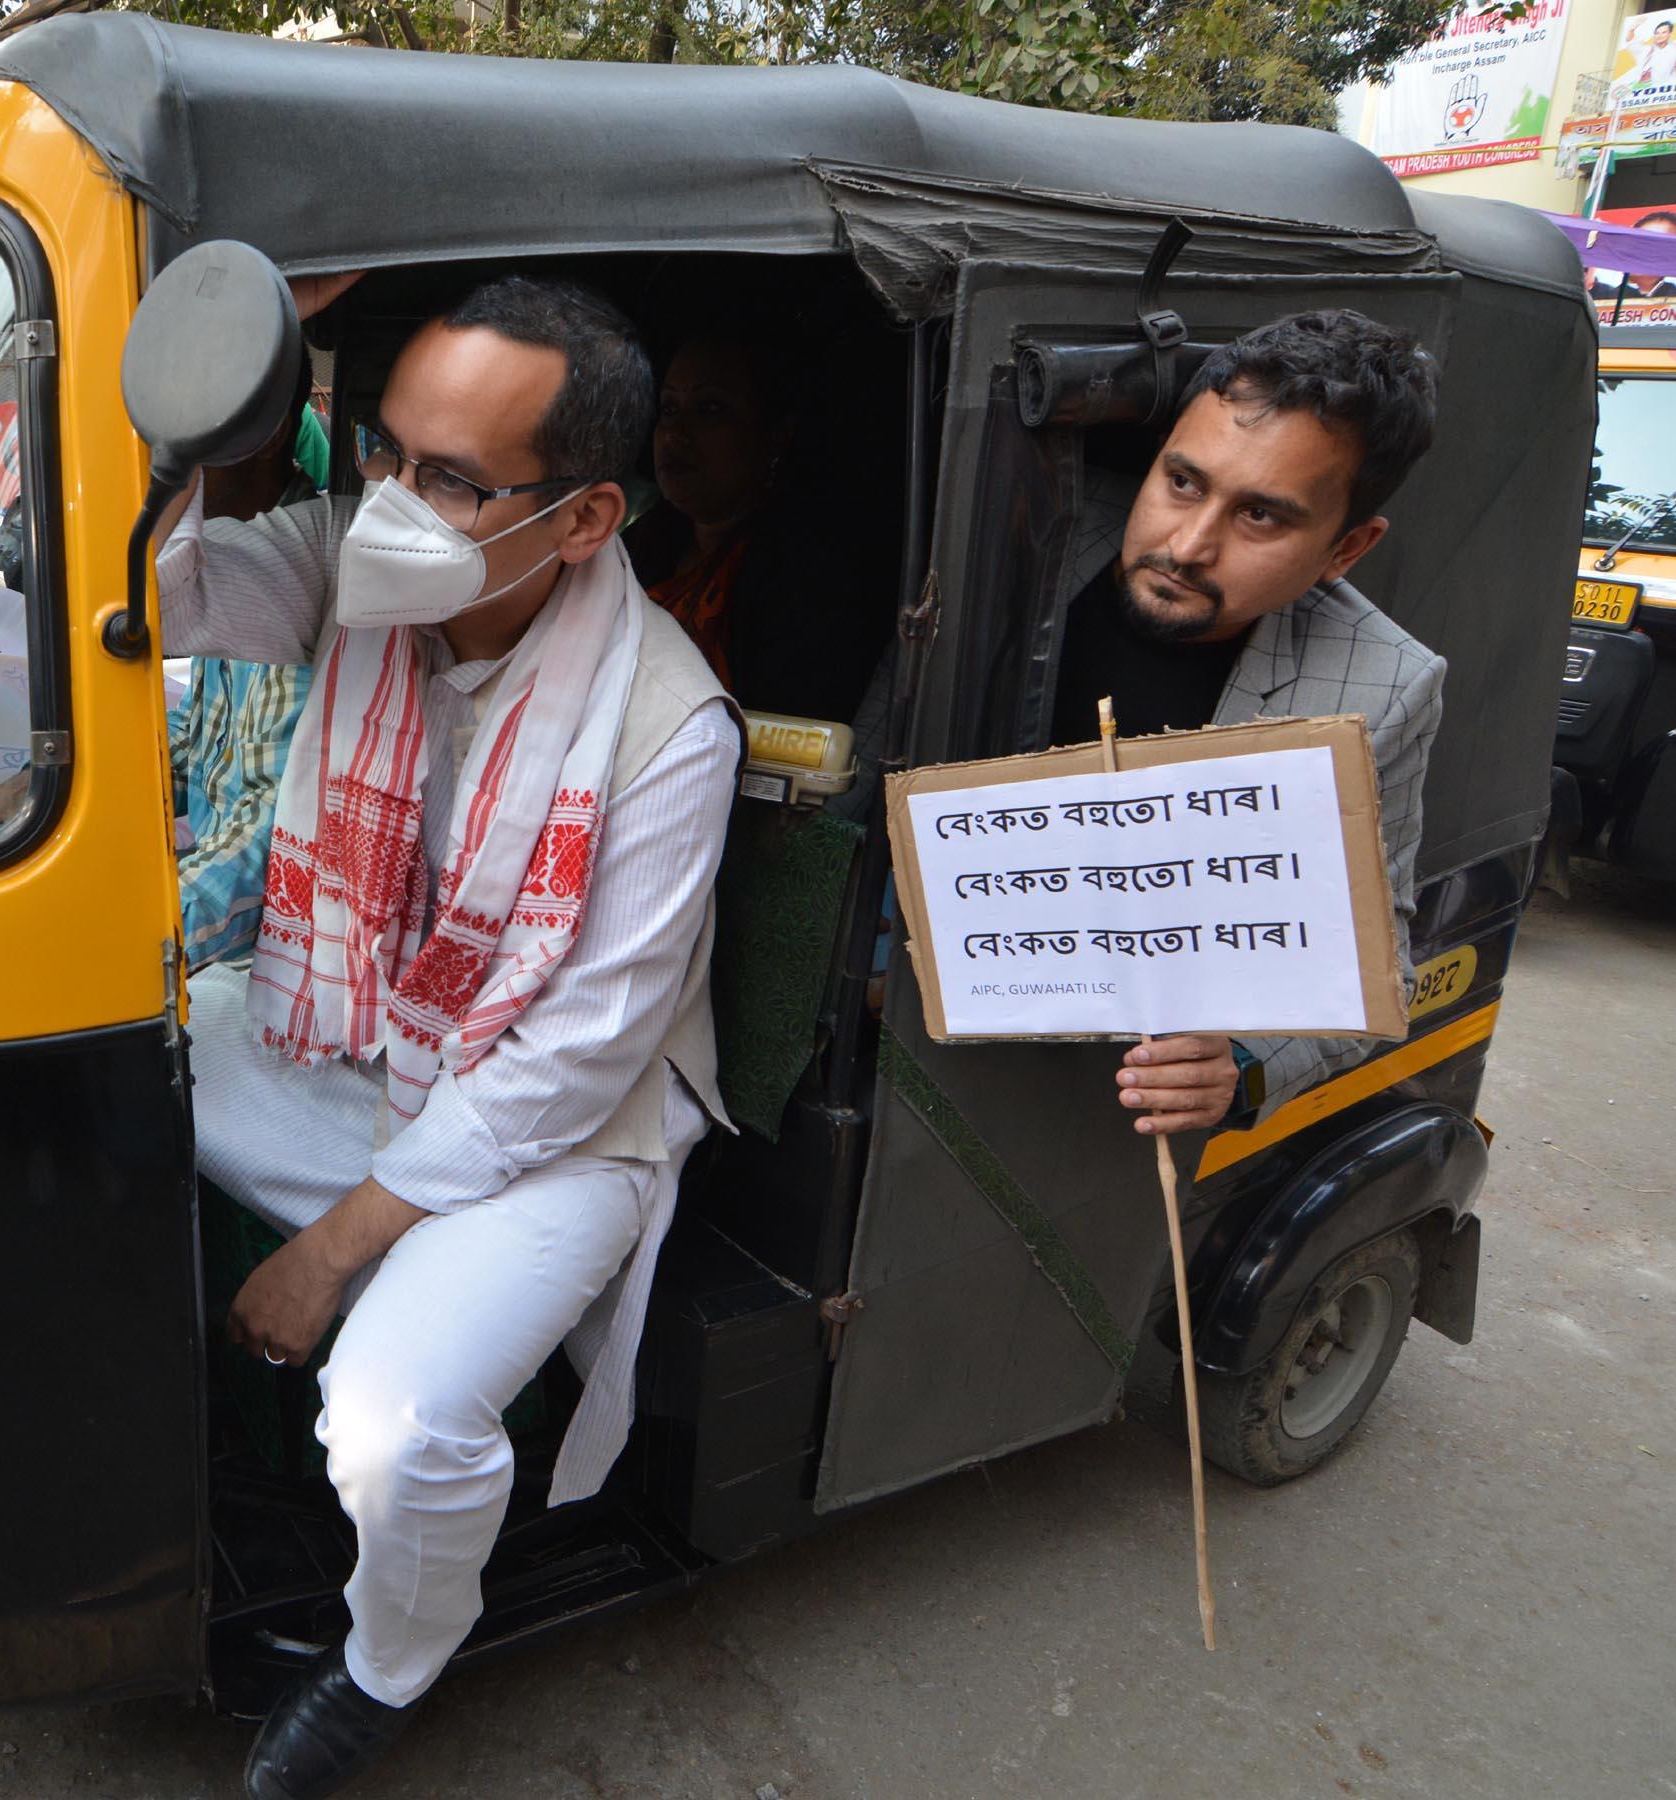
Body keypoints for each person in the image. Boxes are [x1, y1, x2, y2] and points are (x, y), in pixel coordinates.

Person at [155, 274, 738, 1800]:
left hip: (562, 1125)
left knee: (393, 1423)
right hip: (366, 1038)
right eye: (384, 454)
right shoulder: (349, 562)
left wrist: (331, 1251)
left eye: (453, 480)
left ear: (585, 518)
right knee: (121, 1051)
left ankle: (385, 1664)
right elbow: (154, 596)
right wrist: (177, 399)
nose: (395, 504)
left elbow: (572, 1063)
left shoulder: (668, 726)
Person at [855, 307, 1444, 1135]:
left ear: (1346, 549)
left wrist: (1241, 1063)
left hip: (1090, 1116)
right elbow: (860, 779)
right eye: (1183, 483)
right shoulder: (1019, 526)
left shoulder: (1381, 685)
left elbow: (1378, 965)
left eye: (1261, 516)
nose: (1189, 545)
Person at [623, 326, 884, 718]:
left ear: (775, 435)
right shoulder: (640, 544)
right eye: (669, 410)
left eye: (709, 410)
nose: (674, 435)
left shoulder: (807, 576)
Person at [169, 368, 323, 968]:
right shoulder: (221, 550)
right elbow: (195, 739)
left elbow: (271, 831)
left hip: (275, 956)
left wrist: (141, 941)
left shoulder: (303, 572)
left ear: (265, 433)